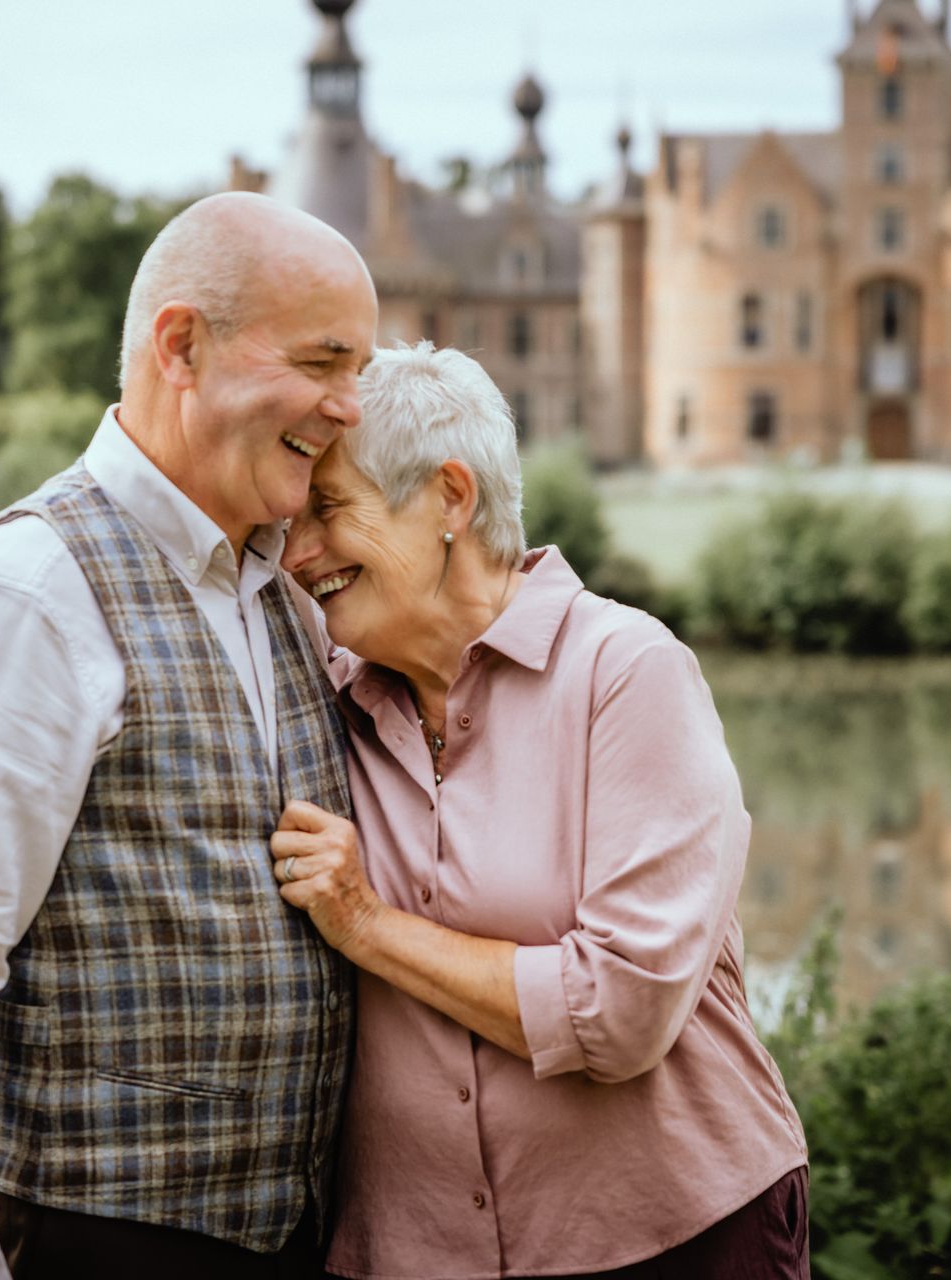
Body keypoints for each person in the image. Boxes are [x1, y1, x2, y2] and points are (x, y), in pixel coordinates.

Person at [0, 192, 378, 1280]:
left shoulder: (288, 585)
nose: (351, 407)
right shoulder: (27, 593)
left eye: (358, 371)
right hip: (90, 1245)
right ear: (182, 346)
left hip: (293, 1239)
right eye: (324, 361)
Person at [273, 342, 809, 1279]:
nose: (298, 553)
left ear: (450, 496)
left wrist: (365, 923)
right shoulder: (317, 696)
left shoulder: (626, 672)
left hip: (677, 1240)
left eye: (328, 510)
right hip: (412, 1254)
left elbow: (624, 1008)